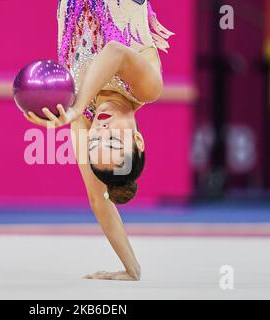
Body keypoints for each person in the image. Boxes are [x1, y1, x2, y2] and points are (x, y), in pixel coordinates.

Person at [23, 0, 173, 281]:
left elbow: (97, 198)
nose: (101, 131)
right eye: (114, 141)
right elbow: (115, 51)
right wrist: (77, 107)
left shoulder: (83, 114)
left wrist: (132, 268)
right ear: (138, 140)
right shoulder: (146, 89)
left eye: (95, 144)